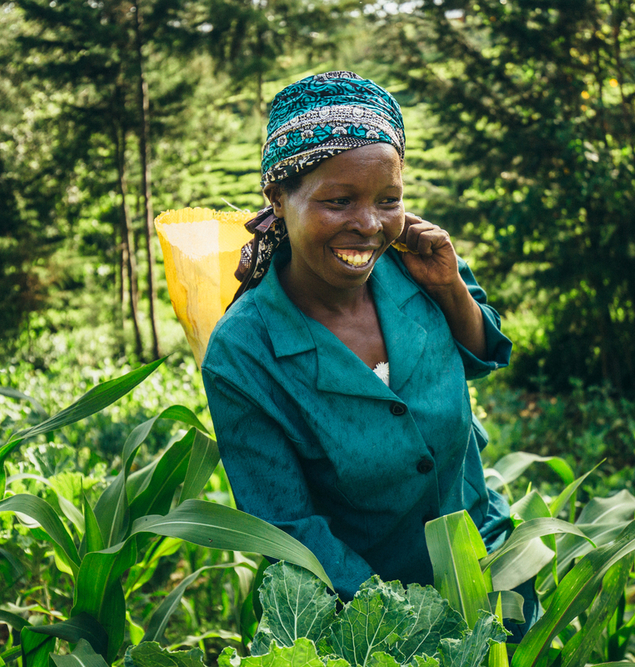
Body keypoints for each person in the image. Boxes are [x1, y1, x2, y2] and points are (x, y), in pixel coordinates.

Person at [201, 71, 533, 633]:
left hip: (493, 569)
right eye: (339, 201)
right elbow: (288, 527)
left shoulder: (417, 267)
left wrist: (451, 287)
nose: (369, 225)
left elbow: (485, 354)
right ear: (278, 199)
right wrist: (405, 625)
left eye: (389, 200)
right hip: (369, 618)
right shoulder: (244, 352)